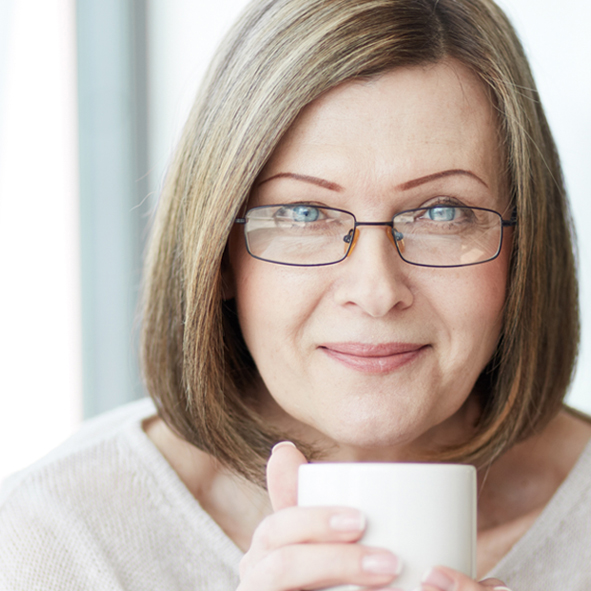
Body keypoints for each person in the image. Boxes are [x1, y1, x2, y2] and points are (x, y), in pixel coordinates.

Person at [1, 0, 590, 589]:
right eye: (303, 212)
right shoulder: (52, 542)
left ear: (524, 248)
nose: (376, 291)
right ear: (221, 257)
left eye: (442, 212)